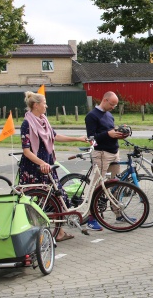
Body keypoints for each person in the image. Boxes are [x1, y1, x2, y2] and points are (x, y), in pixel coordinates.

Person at [19, 91, 88, 242]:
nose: (46, 106)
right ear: (36, 105)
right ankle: (36, 234)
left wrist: (77, 138)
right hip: (34, 168)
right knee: (38, 201)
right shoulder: (27, 123)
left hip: (48, 165)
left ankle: (60, 231)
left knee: (58, 197)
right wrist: (41, 163)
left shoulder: (44, 120)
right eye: (44, 103)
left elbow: (54, 136)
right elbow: (26, 150)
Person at [85, 91, 129, 231]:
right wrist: (108, 134)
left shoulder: (109, 115)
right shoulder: (91, 116)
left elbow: (110, 132)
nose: (113, 107)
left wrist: (118, 133)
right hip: (101, 153)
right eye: (112, 104)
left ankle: (118, 214)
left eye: (115, 105)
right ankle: (91, 217)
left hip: (114, 152)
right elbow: (92, 137)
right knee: (97, 185)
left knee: (115, 183)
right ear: (104, 100)